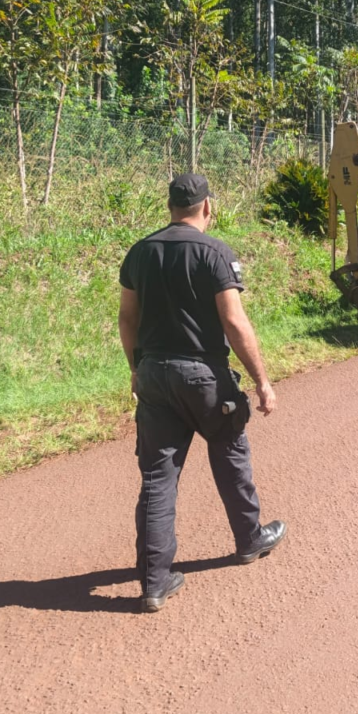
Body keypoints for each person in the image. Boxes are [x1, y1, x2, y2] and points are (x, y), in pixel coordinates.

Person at [118, 173, 286, 613]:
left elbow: (127, 318)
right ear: (208, 206)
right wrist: (262, 381)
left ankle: (154, 583)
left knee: (157, 477)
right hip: (204, 376)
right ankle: (249, 539)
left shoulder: (140, 252)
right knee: (230, 453)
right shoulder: (214, 252)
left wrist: (137, 370)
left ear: (170, 206)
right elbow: (233, 321)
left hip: (154, 375)